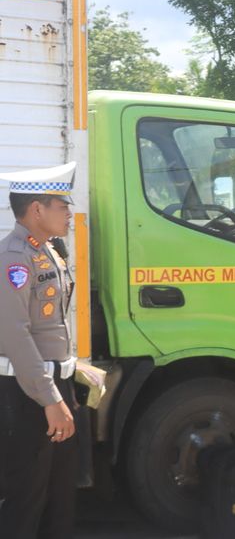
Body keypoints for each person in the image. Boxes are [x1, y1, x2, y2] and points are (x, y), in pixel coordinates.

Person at [0, 162, 79, 539]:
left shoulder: (51, 250)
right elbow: (16, 335)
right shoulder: (14, 258)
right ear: (36, 210)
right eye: (61, 204)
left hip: (55, 385)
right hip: (30, 394)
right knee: (26, 498)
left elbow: (54, 323)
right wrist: (50, 399)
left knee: (60, 497)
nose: (69, 211)